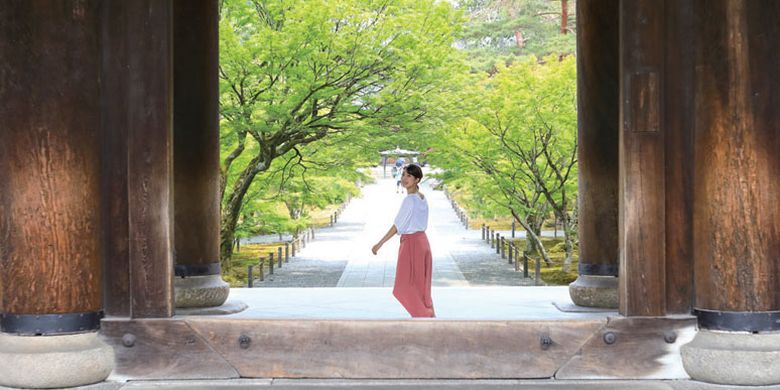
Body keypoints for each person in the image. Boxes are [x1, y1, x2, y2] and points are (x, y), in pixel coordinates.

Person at [372, 164, 435, 318]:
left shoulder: (410, 200)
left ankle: (423, 315)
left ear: (417, 179)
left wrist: (379, 244)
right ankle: (429, 315)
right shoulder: (422, 197)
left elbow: (397, 226)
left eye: (409, 176)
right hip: (423, 242)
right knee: (421, 285)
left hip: (412, 243)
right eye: (403, 175)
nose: (404, 179)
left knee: (403, 286)